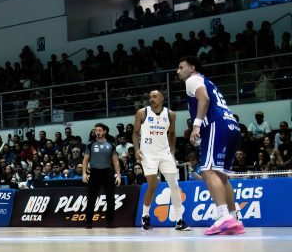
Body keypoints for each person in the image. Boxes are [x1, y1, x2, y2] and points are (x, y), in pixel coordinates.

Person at [176, 56, 245, 235]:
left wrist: (196, 125)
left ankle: (223, 217)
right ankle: (234, 218)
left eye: (181, 67)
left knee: (207, 171)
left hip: (217, 124)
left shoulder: (192, 79)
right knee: (222, 176)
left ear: (192, 68)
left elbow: (204, 99)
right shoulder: (208, 81)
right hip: (232, 125)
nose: (178, 71)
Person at [133, 90, 190, 231]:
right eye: (150, 97)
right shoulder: (142, 112)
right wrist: (136, 149)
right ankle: (145, 216)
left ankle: (179, 220)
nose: (151, 99)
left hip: (165, 154)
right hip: (148, 155)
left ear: (162, 98)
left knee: (174, 185)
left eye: (154, 96)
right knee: (153, 186)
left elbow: (172, 134)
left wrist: (171, 152)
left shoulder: (171, 114)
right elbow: (135, 132)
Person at [81, 123, 120, 229]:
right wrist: (84, 173)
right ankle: (88, 223)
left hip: (107, 173)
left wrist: (118, 175)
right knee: (91, 199)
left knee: (110, 199)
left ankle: (110, 223)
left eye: (99, 130)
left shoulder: (111, 145)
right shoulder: (90, 144)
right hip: (94, 173)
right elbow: (85, 160)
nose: (97, 132)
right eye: (96, 130)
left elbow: (116, 162)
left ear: (104, 132)